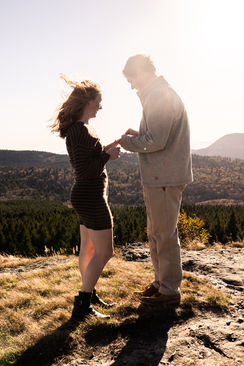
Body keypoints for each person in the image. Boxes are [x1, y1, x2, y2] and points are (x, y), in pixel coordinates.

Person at [120, 54, 193, 306]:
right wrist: (139, 134)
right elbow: (158, 135)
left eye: (132, 79)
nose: (131, 86)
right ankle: (160, 283)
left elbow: (156, 141)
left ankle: (169, 291)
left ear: (144, 72)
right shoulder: (158, 94)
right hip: (161, 176)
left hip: (165, 176)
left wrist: (127, 142)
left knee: (164, 234)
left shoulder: (160, 95)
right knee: (156, 233)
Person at [51, 76, 120, 319]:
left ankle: (88, 293)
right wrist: (107, 157)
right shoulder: (79, 131)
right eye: (99, 101)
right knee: (105, 251)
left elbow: (89, 160)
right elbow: (85, 170)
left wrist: (107, 149)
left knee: (89, 249)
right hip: (90, 197)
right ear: (88, 101)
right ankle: (83, 304)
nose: (101, 106)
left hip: (85, 196)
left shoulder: (80, 129)